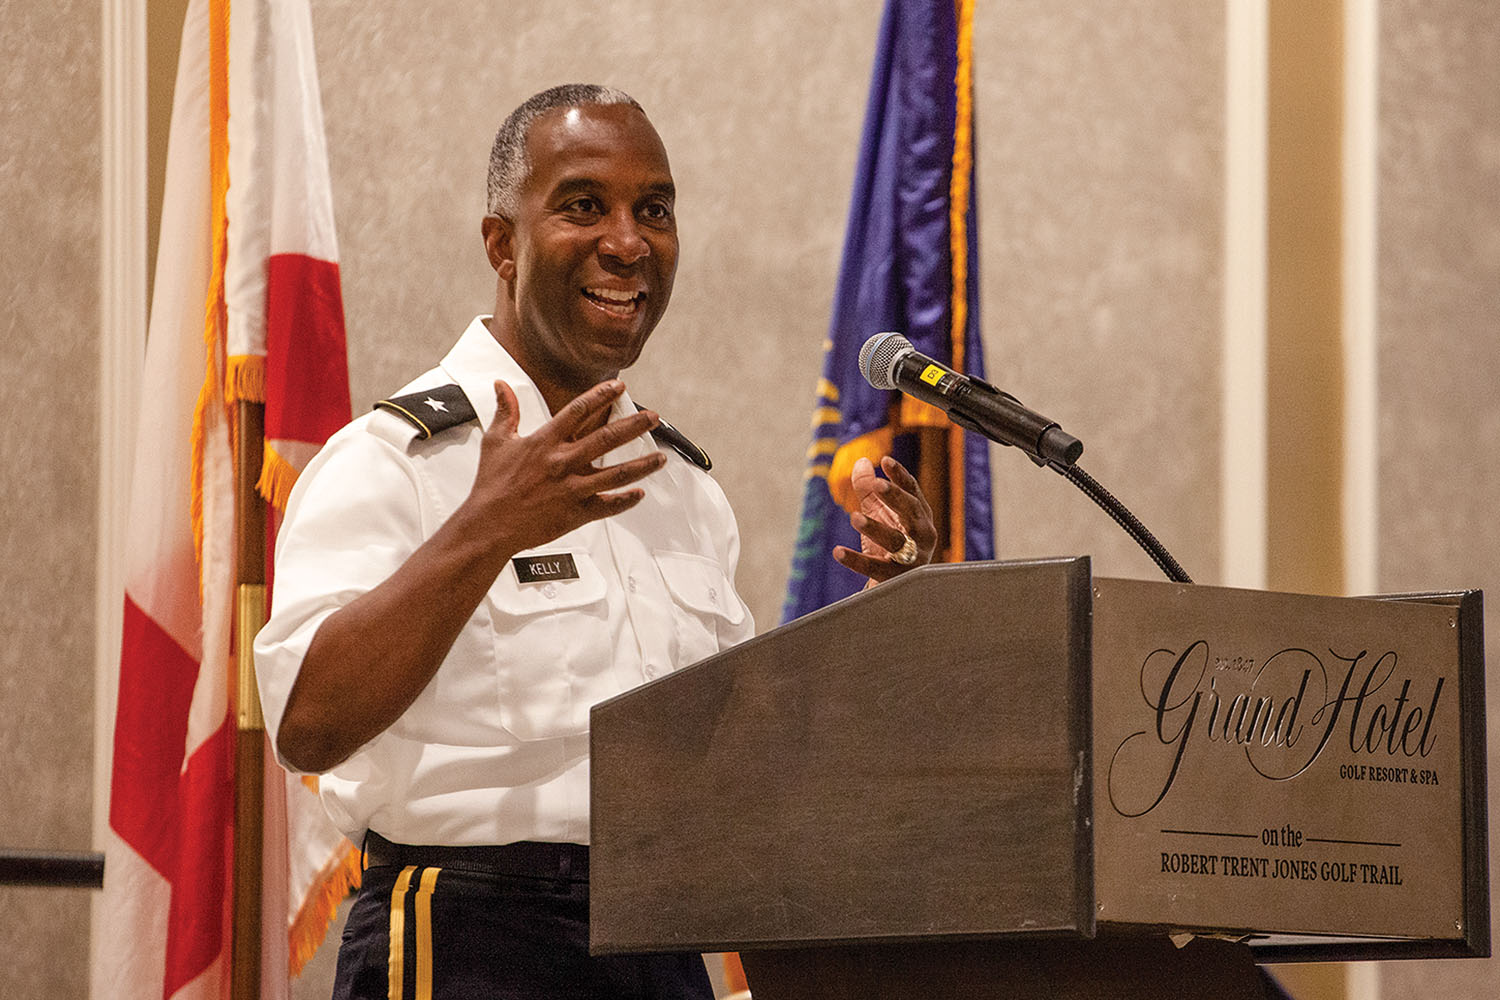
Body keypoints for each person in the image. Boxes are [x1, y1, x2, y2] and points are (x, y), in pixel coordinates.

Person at [254, 83, 937, 1000]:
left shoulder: (682, 489)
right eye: (584, 206)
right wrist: (488, 528)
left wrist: (890, 611)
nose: (628, 241)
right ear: (503, 244)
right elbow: (307, 721)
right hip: (468, 937)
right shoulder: (395, 461)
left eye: (653, 210)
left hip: (661, 941)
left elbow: (743, 752)